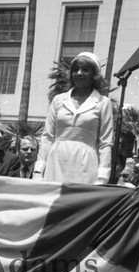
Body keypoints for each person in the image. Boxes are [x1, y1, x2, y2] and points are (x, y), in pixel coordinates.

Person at [34, 52, 113, 185]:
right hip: (56, 162)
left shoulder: (103, 102)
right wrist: (38, 170)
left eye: (85, 69)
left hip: (86, 164)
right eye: (75, 69)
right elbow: (47, 137)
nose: (79, 73)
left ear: (95, 75)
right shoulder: (58, 100)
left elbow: (106, 142)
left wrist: (102, 177)